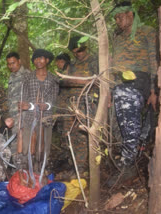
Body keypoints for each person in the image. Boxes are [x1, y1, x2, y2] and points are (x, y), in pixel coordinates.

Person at [111, 1, 158, 167]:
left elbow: (154, 61)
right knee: (118, 121)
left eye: (120, 17)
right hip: (120, 84)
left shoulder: (147, 32)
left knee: (126, 102)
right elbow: (114, 66)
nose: (117, 21)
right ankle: (131, 153)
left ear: (130, 14)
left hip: (140, 80)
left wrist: (154, 90)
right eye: (115, 18)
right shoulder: (117, 38)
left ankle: (128, 161)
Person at [59, 36, 99, 174]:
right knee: (72, 135)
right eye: (75, 52)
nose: (78, 54)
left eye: (80, 50)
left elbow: (100, 81)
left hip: (88, 102)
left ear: (86, 47)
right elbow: (66, 85)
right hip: (73, 103)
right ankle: (75, 165)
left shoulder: (95, 61)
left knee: (83, 136)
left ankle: (82, 169)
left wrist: (80, 81)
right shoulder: (73, 65)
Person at [19, 49, 59, 174]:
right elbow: (24, 99)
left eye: (41, 58)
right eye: (35, 59)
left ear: (47, 60)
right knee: (27, 148)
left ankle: (41, 173)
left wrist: (46, 105)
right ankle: (27, 174)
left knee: (44, 148)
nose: (38, 61)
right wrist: (27, 106)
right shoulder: (27, 77)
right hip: (30, 118)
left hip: (46, 118)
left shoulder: (53, 79)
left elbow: (54, 99)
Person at [6, 52, 31, 162]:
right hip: (13, 119)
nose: (11, 66)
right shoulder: (11, 77)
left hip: (24, 119)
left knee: (25, 147)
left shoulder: (28, 75)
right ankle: (16, 173)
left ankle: (24, 172)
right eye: (9, 64)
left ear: (19, 61)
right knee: (14, 147)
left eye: (13, 63)